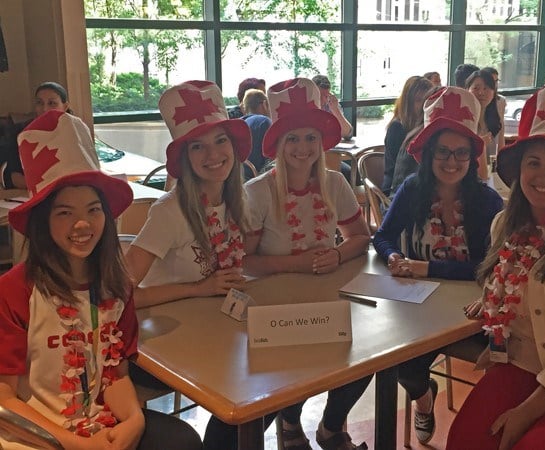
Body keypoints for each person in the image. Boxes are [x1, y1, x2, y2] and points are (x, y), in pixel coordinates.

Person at [0, 109, 202, 449]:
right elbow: (4, 399)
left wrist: (134, 420)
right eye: (65, 213)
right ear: (42, 221)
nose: (83, 225)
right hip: (35, 437)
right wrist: (72, 443)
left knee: (182, 441)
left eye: (93, 210)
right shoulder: (14, 291)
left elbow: (117, 374)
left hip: (98, 425)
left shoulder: (116, 286)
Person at [447, 85, 545, 450]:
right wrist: (493, 309)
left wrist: (527, 413)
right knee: (464, 441)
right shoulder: (504, 224)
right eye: (534, 162)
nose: (542, 175)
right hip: (519, 366)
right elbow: (507, 285)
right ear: (519, 169)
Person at [244, 77, 371, 450]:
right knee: (293, 360)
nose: (303, 148)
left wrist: (336, 254)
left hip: (328, 293)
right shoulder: (258, 192)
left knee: (366, 356)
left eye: (311, 138)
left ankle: (331, 427)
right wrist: (296, 264)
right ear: (279, 145)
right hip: (275, 302)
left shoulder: (335, 182)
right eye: (293, 139)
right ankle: (289, 421)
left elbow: (361, 238)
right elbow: (246, 261)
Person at [373, 87, 504, 445]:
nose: (452, 161)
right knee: (404, 366)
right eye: (443, 151)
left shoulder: (489, 201)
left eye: (461, 153)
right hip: (422, 307)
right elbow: (381, 236)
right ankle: (424, 401)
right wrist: (394, 257)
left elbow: (489, 267)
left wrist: (426, 268)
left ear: (472, 157)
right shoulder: (412, 190)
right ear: (428, 153)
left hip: (474, 310)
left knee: (503, 367)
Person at [124, 80, 251, 450]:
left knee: (276, 381)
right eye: (198, 146)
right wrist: (199, 289)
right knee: (250, 391)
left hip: (216, 334)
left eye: (220, 141)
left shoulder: (238, 199)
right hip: (163, 352)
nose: (213, 155)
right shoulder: (170, 211)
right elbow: (121, 298)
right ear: (185, 158)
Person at [0, 81, 98, 190]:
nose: (45, 109)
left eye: (52, 103)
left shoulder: (77, 130)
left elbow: (88, 169)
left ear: (65, 106)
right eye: (39, 103)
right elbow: (15, 177)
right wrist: (53, 188)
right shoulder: (22, 133)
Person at [382, 76, 433, 195]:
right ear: (408, 102)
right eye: (419, 100)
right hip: (395, 189)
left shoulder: (429, 127)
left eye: (428, 100)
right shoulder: (397, 128)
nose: (424, 105)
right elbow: (401, 171)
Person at [466, 70, 504, 178]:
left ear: (493, 92)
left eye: (486, 88)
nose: (481, 93)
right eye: (476, 88)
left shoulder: (497, 119)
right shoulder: (464, 120)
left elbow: (501, 150)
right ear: (467, 90)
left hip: (491, 176)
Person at [241, 88, 272, 178]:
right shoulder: (264, 122)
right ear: (265, 104)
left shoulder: (240, 123)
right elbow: (270, 161)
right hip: (254, 181)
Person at [312, 74, 353, 140]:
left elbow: (347, 134)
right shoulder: (306, 106)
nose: (323, 100)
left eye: (325, 96)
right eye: (319, 95)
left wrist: (335, 110)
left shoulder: (331, 105)